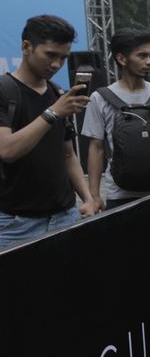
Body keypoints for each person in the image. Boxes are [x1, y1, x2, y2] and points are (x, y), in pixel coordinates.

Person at [0, 15, 98, 249]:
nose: (56, 64)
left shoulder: (57, 93)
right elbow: (7, 150)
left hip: (65, 216)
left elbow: (68, 155)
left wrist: (87, 198)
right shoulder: (5, 91)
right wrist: (53, 112)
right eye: (50, 55)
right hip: (16, 224)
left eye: (63, 58)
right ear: (26, 47)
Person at [82, 28, 150, 210]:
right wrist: (94, 196)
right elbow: (96, 148)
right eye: (142, 56)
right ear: (122, 58)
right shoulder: (99, 98)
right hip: (119, 194)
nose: (149, 62)